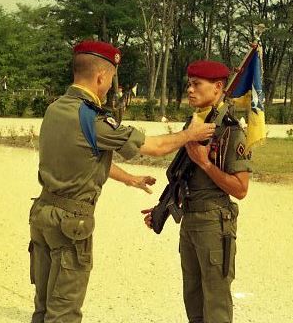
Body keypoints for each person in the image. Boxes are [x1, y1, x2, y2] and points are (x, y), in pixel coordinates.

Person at [28, 40, 216, 323]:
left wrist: (131, 179)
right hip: (70, 223)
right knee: (63, 312)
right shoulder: (92, 118)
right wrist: (190, 134)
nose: (111, 85)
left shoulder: (55, 109)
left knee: (43, 307)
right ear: (101, 76)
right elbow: (153, 146)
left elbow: (86, 160)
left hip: (43, 215)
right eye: (112, 78)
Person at [142, 60, 251, 323]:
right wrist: (161, 210)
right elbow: (181, 177)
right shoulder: (192, 125)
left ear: (217, 88)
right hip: (190, 221)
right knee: (193, 300)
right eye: (189, 84)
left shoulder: (230, 131)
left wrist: (205, 163)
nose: (190, 89)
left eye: (196, 84)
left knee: (216, 304)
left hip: (214, 223)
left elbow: (241, 189)